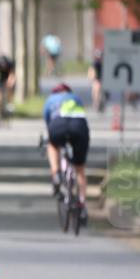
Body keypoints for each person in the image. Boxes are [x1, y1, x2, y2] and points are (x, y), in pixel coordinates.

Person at [43, 83, 90, 221]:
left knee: (52, 145)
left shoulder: (50, 99)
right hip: (79, 127)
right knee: (80, 169)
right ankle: (82, 204)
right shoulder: (75, 97)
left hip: (58, 125)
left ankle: (56, 173)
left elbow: (48, 122)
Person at [0, 55, 16, 124]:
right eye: (2, 66)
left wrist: (10, 82)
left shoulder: (10, 64)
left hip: (8, 77)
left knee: (10, 89)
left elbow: (12, 75)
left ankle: (9, 104)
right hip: (1, 79)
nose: (3, 67)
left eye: (4, 66)